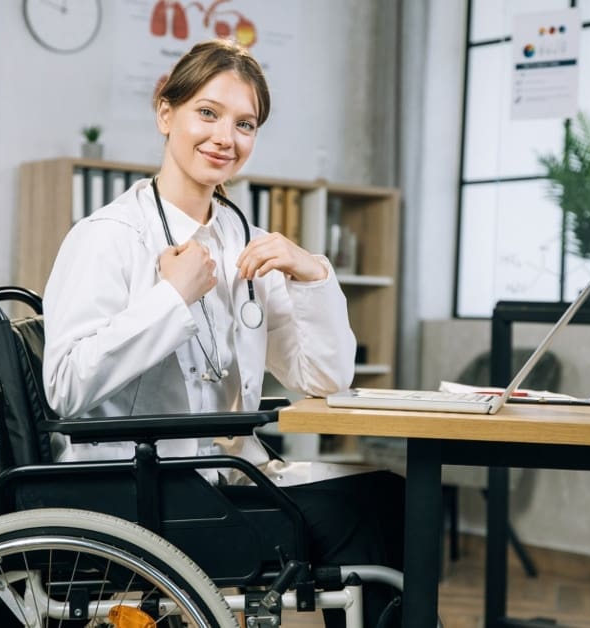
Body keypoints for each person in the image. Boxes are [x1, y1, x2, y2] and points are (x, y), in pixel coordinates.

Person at [41, 39, 403, 628]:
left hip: (223, 475)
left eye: (245, 124)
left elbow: (324, 378)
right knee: (365, 513)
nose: (224, 138)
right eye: (206, 113)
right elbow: (64, 386)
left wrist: (312, 274)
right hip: (142, 490)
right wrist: (171, 298)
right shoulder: (107, 236)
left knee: (388, 494)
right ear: (166, 113)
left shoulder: (246, 239)